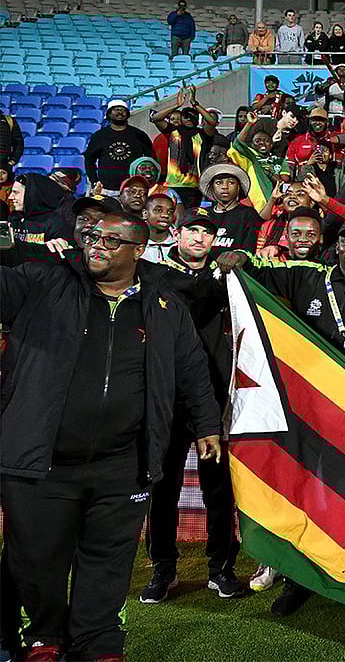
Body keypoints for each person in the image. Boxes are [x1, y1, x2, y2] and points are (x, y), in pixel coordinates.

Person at [1, 213, 221, 662]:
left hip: (123, 461)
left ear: (138, 250)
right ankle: (43, 638)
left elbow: (193, 368)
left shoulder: (163, 305)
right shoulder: (44, 281)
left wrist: (208, 423)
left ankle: (97, 642)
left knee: (109, 561)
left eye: (111, 241)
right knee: (36, 559)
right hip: (42, 460)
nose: (96, 246)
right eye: (93, 237)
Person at [140, 208, 248, 605]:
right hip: (169, 398)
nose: (199, 238)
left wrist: (242, 263)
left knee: (218, 490)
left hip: (213, 399)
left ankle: (221, 569)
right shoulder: (157, 276)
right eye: (192, 231)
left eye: (205, 232)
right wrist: (224, 275)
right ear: (177, 234)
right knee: (162, 488)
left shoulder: (228, 278)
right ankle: (162, 570)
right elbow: (197, 300)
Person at [84, 100, 155, 195]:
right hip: (106, 189)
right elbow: (89, 160)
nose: (120, 112)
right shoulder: (99, 136)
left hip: (133, 188)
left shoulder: (139, 135)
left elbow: (151, 159)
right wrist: (94, 181)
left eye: (123, 110)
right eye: (116, 110)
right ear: (109, 114)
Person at [198, 164, 262, 252]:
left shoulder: (249, 214)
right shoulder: (203, 214)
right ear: (212, 188)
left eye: (231, 182)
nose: (225, 187)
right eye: (218, 183)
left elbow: (249, 249)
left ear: (238, 187)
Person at [142, 192, 178, 262]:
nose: (165, 215)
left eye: (170, 212)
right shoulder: (134, 240)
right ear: (145, 213)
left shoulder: (180, 241)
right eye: (158, 210)